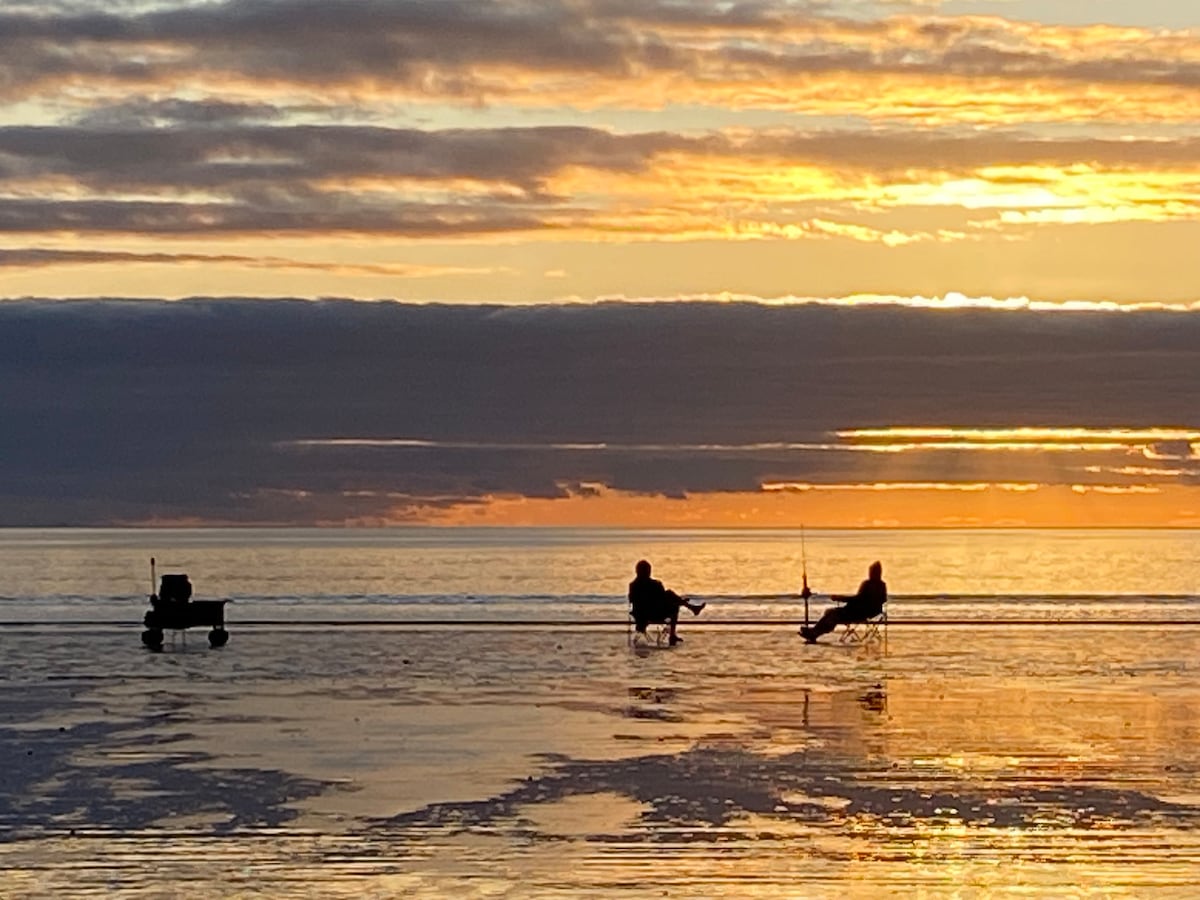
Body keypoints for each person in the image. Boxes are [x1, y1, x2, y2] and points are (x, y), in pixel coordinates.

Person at [799, 560, 886, 643]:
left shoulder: (867, 584)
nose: (869, 573)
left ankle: (815, 633)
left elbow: (857, 599)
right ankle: (815, 631)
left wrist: (839, 598)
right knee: (830, 613)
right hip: (871, 613)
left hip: (858, 613)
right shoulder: (882, 585)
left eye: (871, 571)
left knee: (832, 614)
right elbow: (883, 600)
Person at [628, 559, 705, 646]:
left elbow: (631, 601)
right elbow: (662, 600)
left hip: (641, 616)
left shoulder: (633, 585)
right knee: (672, 600)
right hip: (654, 614)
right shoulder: (655, 584)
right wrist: (679, 602)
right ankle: (674, 633)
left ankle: (689, 606)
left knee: (670, 596)